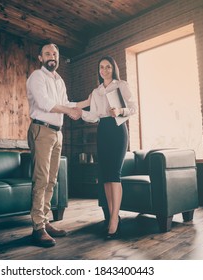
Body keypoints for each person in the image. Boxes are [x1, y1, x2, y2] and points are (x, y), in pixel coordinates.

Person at [26, 42, 83, 247]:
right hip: (41, 129)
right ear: (40, 58)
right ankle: (38, 228)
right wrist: (69, 111)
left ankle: (45, 221)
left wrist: (87, 102)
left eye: (55, 54)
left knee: (51, 180)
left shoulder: (59, 80)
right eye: (47, 53)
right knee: (41, 179)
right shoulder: (36, 76)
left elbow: (67, 104)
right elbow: (45, 104)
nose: (52, 56)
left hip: (57, 133)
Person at [80, 56, 137, 239]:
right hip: (103, 130)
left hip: (118, 129)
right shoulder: (96, 92)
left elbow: (134, 108)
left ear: (113, 68)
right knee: (104, 176)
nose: (104, 70)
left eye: (108, 67)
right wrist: (79, 113)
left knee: (114, 174)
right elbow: (95, 115)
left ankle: (113, 220)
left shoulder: (121, 85)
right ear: (98, 70)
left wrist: (120, 111)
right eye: (101, 67)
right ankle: (114, 216)